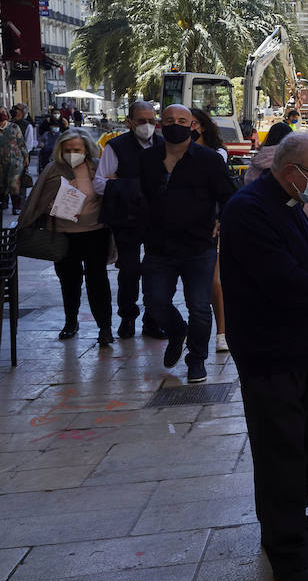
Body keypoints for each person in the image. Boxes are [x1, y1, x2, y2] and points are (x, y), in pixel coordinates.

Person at [219, 131, 308, 581]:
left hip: (307, 348)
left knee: (302, 445)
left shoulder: (293, 204)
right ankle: (289, 556)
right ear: (291, 170)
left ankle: (291, 521)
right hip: (271, 353)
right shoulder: (249, 209)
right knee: (279, 451)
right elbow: (280, 277)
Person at [139, 104, 237, 384]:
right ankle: (176, 330)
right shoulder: (148, 160)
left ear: (193, 125)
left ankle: (197, 359)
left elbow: (229, 195)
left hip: (199, 246)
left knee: (199, 306)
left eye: (182, 120)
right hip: (159, 246)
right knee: (155, 303)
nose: (175, 124)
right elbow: (142, 196)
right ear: (161, 123)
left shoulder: (208, 160)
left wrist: (222, 219)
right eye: (169, 120)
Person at [18, 129, 113, 344]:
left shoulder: (97, 168)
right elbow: (38, 201)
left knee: (98, 281)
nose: (72, 153)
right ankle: (71, 322)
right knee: (69, 281)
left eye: (76, 149)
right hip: (62, 236)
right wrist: (53, 205)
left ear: (86, 149)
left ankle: (105, 327)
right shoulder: (52, 170)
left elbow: (109, 196)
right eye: (67, 150)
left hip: (95, 233)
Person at [94, 101, 167, 339]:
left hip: (157, 219)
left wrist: (120, 182)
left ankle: (153, 320)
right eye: (141, 121)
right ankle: (127, 317)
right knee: (129, 270)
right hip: (127, 218)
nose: (147, 126)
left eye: (151, 121)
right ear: (130, 122)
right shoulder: (116, 147)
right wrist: (134, 186)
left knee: (157, 270)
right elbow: (100, 183)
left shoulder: (164, 145)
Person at [192, 108, 231, 352]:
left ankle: (222, 332)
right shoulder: (169, 154)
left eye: (191, 123)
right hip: (183, 226)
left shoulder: (216, 155)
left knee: (214, 280)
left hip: (211, 223)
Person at [0, 110, 27, 215]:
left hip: (15, 160)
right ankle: (3, 203)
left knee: (14, 183)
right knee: (2, 183)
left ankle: (16, 207)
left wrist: (26, 157)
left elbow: (21, 143)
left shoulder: (14, 127)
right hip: (1, 162)